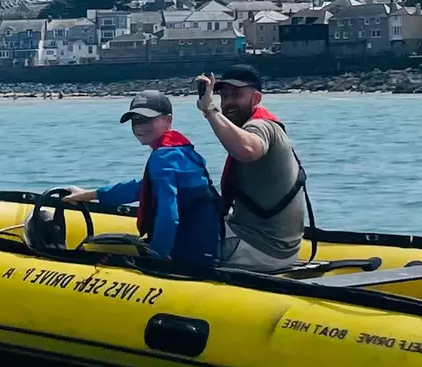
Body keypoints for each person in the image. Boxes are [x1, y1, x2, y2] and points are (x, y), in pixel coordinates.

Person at [61, 90, 220, 267]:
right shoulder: (181, 151)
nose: (140, 127)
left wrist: (157, 255)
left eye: (147, 119)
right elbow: (141, 188)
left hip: (186, 254)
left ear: (168, 120)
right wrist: (90, 194)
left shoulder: (163, 157)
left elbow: (168, 213)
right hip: (207, 247)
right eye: (136, 121)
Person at [194, 64, 308, 270]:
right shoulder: (264, 125)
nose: (228, 103)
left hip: (259, 248)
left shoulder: (260, 126)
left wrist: (210, 110)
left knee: (176, 235)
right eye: (224, 96)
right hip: (281, 248)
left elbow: (247, 150)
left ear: (256, 99)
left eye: (236, 95)